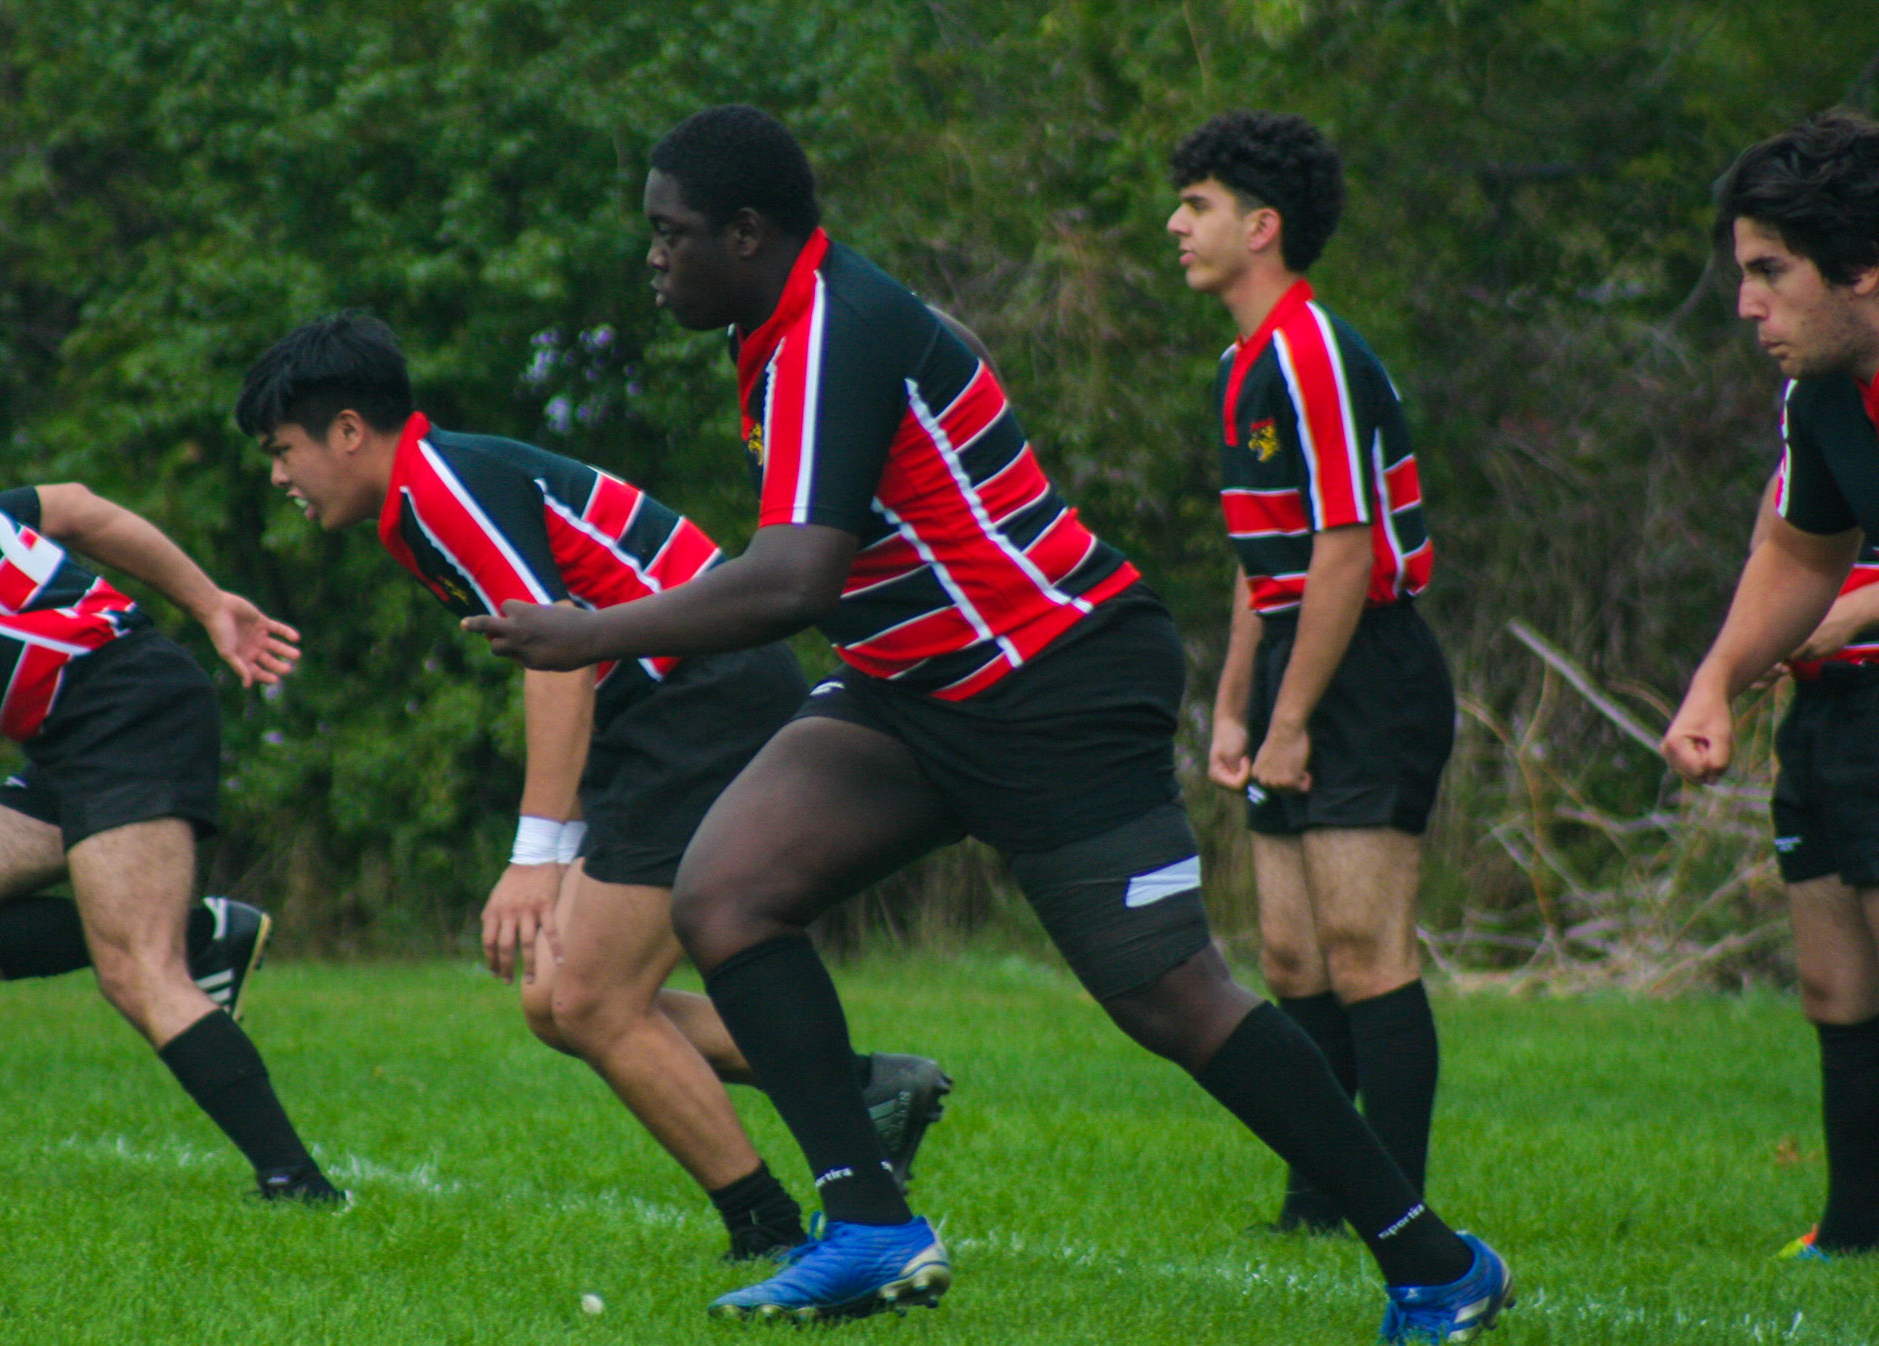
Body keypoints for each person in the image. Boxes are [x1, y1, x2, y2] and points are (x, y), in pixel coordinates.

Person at [461, 103, 1512, 1340]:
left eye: (669, 232)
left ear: (747, 234)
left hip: (1051, 682)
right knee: (725, 893)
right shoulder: (788, 324)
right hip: (916, 688)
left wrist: (587, 628)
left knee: (1170, 995)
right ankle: (866, 1229)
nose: (653, 256)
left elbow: (790, 580)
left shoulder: (831, 329)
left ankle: (1434, 1261)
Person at [232, 312, 950, 1260]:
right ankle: (865, 1086)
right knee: (556, 1000)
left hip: (697, 697)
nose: (278, 475)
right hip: (661, 709)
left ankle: (771, 1231)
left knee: (589, 996)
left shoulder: (441, 487)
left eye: (284, 449)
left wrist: (537, 857)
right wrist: (563, 841)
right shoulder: (424, 497)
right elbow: (573, 656)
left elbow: (558, 655)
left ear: (351, 431)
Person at [0, 478, 341, 1202]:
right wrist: (211, 603)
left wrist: (213, 605)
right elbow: (75, 506)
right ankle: (199, 936)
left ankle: (301, 1186)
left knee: (138, 972)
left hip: (125, 708)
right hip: (73, 737)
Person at [1169, 110, 1452, 1236]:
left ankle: (1396, 1209)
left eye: (1195, 205)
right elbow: (1266, 563)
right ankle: (1317, 1203)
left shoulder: (1309, 348)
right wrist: (1234, 705)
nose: (1174, 225)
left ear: (1261, 224)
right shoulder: (1240, 364)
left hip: (1367, 665)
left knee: (1360, 947)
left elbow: (1345, 549)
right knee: (1288, 951)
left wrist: (1292, 718)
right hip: (1295, 655)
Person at [1664, 109, 1879, 1261]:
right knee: (1838, 978)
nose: (1745, 305)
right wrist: (1717, 680)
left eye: (1767, 272)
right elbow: (1800, 551)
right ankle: (1854, 1231)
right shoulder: (1829, 395)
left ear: (1859, 266)